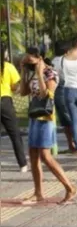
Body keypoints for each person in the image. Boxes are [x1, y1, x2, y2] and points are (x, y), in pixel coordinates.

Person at [20, 47, 77, 204]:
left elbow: (46, 94)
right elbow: (23, 92)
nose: (28, 61)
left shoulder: (50, 73)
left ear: (39, 58)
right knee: (33, 155)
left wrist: (40, 73)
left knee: (46, 156)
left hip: (45, 119)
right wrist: (23, 71)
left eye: (30, 59)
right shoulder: (32, 72)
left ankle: (70, 187)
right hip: (34, 117)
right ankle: (38, 192)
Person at [51, 41, 77, 152]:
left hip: (56, 92)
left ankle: (71, 145)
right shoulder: (66, 61)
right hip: (67, 89)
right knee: (76, 119)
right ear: (66, 51)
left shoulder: (53, 61)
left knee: (65, 121)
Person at [0, 43, 28, 172]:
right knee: (14, 134)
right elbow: (15, 87)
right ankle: (22, 164)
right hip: (5, 101)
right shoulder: (9, 67)